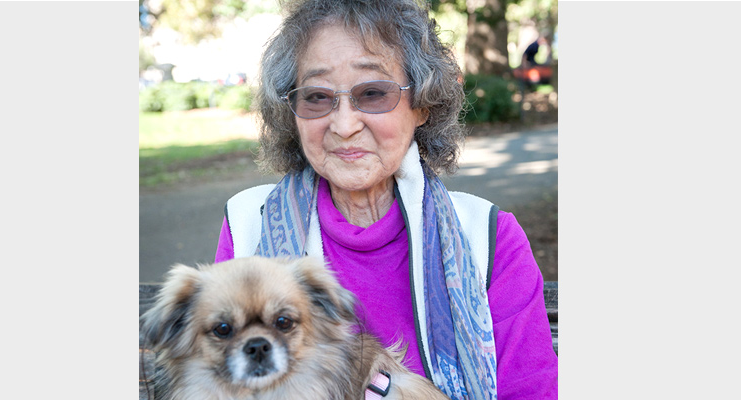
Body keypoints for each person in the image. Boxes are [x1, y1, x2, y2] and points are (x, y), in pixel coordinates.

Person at [214, 0, 557, 398]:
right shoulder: (249, 222)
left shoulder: (486, 235)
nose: (343, 125)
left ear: (422, 105)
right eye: (317, 97)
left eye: (373, 93)